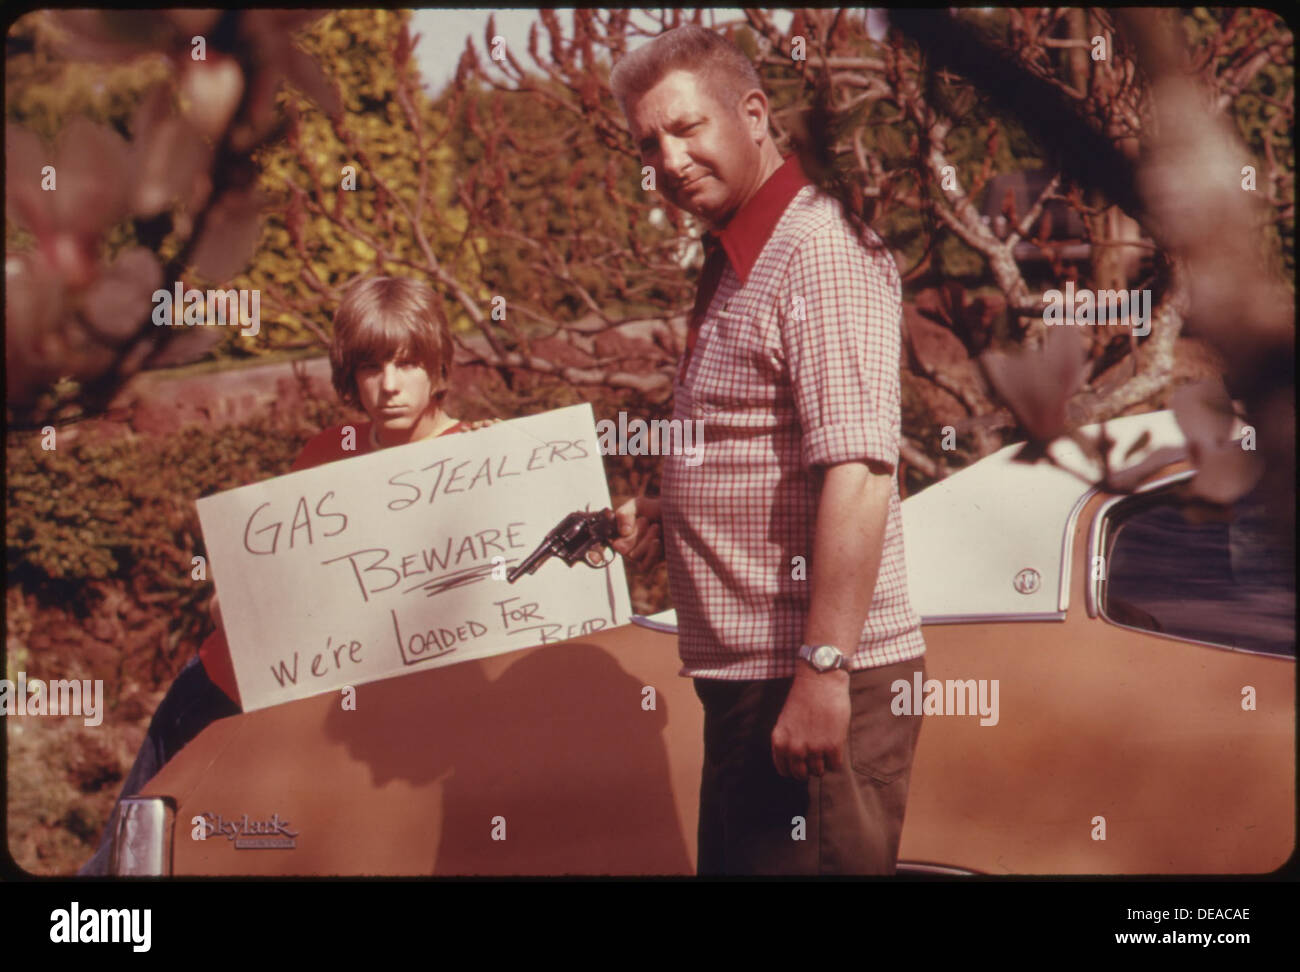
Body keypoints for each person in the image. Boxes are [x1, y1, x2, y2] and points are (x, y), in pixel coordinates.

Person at [608, 25, 928, 875]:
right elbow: (758, 451)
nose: (669, 160)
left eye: (687, 129)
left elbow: (858, 473)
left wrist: (823, 673)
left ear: (752, 114)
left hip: (814, 678)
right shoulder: (738, 256)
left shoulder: (819, 249)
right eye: (650, 144)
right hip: (756, 681)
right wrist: (662, 512)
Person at [82, 275, 484, 874]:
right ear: (350, 375)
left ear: (439, 366)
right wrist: (236, 605)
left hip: (361, 719)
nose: (391, 385)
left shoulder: (478, 458)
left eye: (408, 363)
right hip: (238, 683)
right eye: (372, 366)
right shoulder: (324, 452)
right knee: (134, 848)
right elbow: (256, 591)